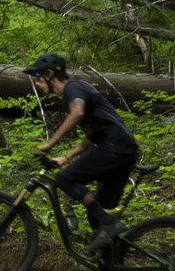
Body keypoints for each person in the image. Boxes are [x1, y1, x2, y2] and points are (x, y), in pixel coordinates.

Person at [25, 52, 140, 250]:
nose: (36, 83)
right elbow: (92, 135)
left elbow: (77, 114)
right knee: (98, 214)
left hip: (116, 147)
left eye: (38, 77)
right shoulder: (78, 91)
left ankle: (109, 223)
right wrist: (67, 156)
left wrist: (50, 144)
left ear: (50, 73)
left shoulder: (73, 88)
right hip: (123, 149)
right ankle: (109, 270)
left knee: (64, 179)